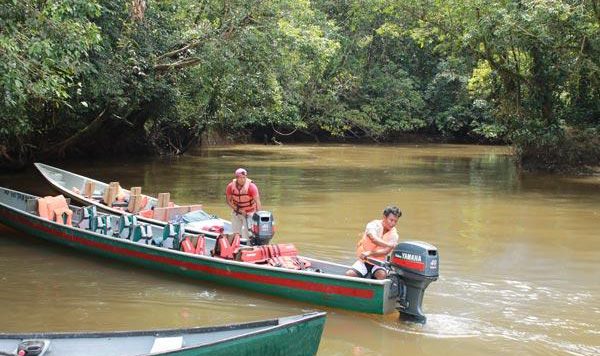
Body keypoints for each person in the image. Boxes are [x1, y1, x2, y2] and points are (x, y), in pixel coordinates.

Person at [345, 206, 401, 280]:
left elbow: (385, 251)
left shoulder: (394, 235)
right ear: (384, 217)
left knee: (382, 275)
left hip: (378, 263)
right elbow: (374, 239)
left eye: (395, 221)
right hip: (364, 260)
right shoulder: (373, 225)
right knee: (349, 275)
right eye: (391, 220)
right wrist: (389, 245)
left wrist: (370, 253)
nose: (393, 223)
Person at [225, 168, 262, 241]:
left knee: (247, 235)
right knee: (235, 234)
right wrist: (239, 210)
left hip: (250, 213)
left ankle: (247, 246)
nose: (243, 180)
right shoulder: (230, 186)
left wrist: (258, 217)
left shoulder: (251, 187)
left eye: (244, 177)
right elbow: (228, 201)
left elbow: (258, 202)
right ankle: (236, 246)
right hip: (237, 212)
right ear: (236, 178)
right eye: (240, 178)